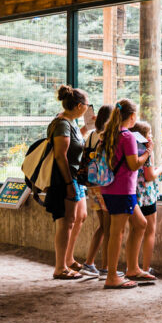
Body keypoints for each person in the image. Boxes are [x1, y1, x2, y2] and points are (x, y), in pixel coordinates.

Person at [100, 98, 155, 290]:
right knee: (117, 232)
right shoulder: (128, 136)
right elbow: (133, 164)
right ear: (132, 117)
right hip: (122, 190)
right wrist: (147, 152)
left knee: (140, 224)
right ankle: (112, 276)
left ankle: (133, 268)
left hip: (113, 189)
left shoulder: (110, 134)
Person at [46, 85, 94, 279]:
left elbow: (75, 143)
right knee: (66, 222)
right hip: (65, 178)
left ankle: (69, 258)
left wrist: (87, 128)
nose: (89, 108)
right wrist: (68, 184)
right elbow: (60, 156)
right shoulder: (62, 124)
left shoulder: (71, 123)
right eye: (88, 105)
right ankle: (60, 267)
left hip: (75, 177)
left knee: (80, 216)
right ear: (80, 106)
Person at [80, 105, 113, 277]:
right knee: (109, 228)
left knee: (101, 226)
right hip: (105, 186)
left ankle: (89, 262)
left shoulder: (92, 136)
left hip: (91, 186)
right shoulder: (107, 136)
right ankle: (106, 267)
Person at [131, 120, 162, 275]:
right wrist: (161, 169)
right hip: (146, 196)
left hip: (133, 194)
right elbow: (149, 175)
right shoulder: (145, 150)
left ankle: (132, 266)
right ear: (143, 136)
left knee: (134, 232)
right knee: (150, 231)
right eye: (149, 133)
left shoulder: (131, 148)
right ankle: (145, 268)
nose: (151, 136)